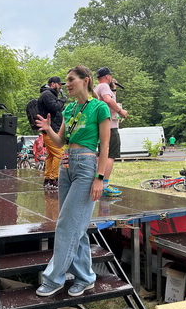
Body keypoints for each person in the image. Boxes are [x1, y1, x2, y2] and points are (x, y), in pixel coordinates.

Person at [35, 65, 110, 297]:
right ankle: (86, 277)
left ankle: (53, 278)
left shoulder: (99, 107)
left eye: (71, 80)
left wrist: (100, 178)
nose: (66, 84)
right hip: (66, 166)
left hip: (86, 167)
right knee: (76, 225)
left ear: (85, 80)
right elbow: (60, 142)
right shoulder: (69, 109)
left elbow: (105, 146)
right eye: (66, 81)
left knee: (66, 224)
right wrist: (48, 129)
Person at [94, 67, 127, 197]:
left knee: (103, 153)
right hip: (110, 126)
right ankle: (105, 185)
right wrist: (120, 111)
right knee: (110, 155)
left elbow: (110, 98)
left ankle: (100, 182)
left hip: (102, 125)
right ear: (107, 77)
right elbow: (108, 100)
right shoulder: (104, 87)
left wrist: (114, 89)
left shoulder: (98, 87)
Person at [37, 76, 67, 189]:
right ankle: (54, 178)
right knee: (59, 153)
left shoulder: (48, 94)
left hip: (50, 130)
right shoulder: (47, 94)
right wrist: (62, 100)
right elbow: (55, 107)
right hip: (52, 130)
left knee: (51, 155)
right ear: (53, 84)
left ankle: (48, 178)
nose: (60, 87)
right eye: (59, 84)